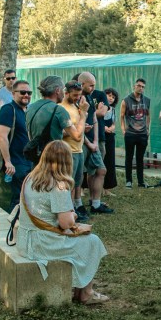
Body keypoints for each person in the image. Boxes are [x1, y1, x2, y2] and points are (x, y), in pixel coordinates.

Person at [16, 140, 108, 305]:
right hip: (43, 244)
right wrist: (73, 215)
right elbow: (65, 223)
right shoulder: (58, 184)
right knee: (92, 241)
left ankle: (80, 290)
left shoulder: (31, 178)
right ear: (67, 161)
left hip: (25, 241)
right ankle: (86, 293)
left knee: (83, 242)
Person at [77, 72, 112, 214]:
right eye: (91, 85)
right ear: (82, 84)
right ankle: (77, 204)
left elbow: (95, 118)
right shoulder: (78, 98)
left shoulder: (91, 97)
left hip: (93, 141)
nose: (93, 88)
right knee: (78, 174)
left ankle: (95, 204)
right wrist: (87, 140)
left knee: (100, 170)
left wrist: (95, 140)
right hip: (80, 141)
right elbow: (75, 123)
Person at [0, 79, 33, 211]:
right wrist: (8, 162)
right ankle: (13, 225)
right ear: (13, 94)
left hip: (28, 161)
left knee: (27, 197)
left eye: (29, 93)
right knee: (18, 198)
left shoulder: (27, 111)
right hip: (16, 163)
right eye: (22, 92)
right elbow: (2, 137)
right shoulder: (8, 110)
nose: (26, 95)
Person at [26, 76, 75, 164]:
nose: (64, 93)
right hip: (54, 159)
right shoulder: (59, 110)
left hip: (37, 158)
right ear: (57, 90)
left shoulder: (30, 107)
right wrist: (83, 114)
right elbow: (77, 136)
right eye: (63, 89)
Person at [60, 81, 90, 221]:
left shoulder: (75, 105)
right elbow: (59, 131)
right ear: (66, 93)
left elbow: (78, 127)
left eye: (79, 95)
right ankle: (67, 210)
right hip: (68, 151)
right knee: (68, 182)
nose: (77, 97)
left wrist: (83, 127)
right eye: (74, 95)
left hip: (79, 150)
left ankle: (74, 207)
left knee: (77, 181)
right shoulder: (60, 108)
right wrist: (72, 132)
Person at [120, 78, 151, 188]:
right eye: (139, 86)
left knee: (140, 158)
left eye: (143, 87)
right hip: (130, 133)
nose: (141, 88)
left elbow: (148, 115)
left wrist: (147, 129)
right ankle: (129, 181)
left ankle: (141, 181)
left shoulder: (147, 100)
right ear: (134, 86)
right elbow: (122, 116)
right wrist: (123, 130)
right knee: (129, 157)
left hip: (142, 134)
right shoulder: (126, 100)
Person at [101, 87, 119, 193]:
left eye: (113, 97)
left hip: (110, 138)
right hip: (100, 137)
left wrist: (111, 128)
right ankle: (84, 188)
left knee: (109, 162)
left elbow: (114, 124)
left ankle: (107, 188)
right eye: (109, 95)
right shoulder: (98, 107)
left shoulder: (113, 110)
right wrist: (104, 128)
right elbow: (96, 121)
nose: (111, 98)